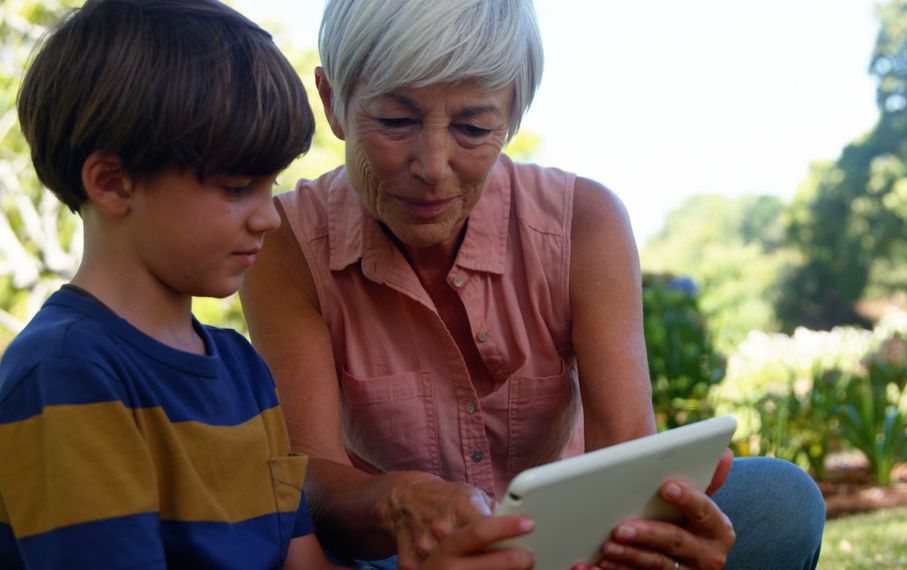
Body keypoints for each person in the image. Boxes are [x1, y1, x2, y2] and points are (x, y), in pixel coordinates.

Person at [240, 0, 826, 568]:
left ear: (514, 115)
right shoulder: (285, 241)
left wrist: (645, 539)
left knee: (779, 501)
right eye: (396, 121)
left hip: (570, 546)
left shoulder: (584, 222)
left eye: (473, 127)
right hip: (403, 557)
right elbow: (308, 481)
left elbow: (626, 449)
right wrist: (396, 501)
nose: (432, 165)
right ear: (333, 102)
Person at [0, 1, 536, 569]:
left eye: (270, 185)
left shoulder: (239, 366)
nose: (270, 218)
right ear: (112, 183)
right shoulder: (67, 374)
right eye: (236, 188)